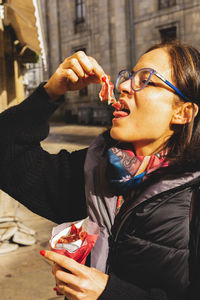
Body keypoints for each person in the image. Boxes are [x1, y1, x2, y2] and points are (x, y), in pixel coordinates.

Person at [0, 40, 200, 300]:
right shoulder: (95, 170)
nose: (124, 86)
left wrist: (108, 293)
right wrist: (49, 93)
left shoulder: (193, 194)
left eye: (145, 79)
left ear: (183, 113)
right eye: (128, 76)